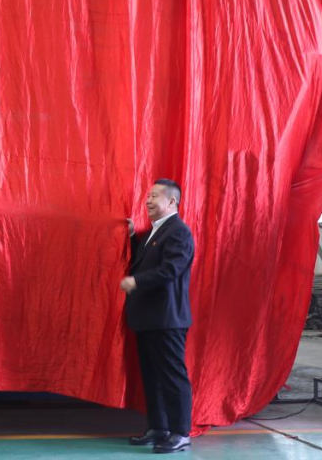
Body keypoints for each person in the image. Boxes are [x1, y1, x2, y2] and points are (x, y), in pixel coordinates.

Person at [121, 179, 194, 454]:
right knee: (151, 377)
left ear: (172, 202)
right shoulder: (155, 232)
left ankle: (180, 432)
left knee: (173, 377)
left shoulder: (179, 232)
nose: (148, 201)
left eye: (153, 196)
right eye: (147, 196)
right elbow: (146, 258)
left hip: (168, 319)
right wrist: (131, 236)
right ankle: (159, 427)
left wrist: (136, 282)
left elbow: (170, 270)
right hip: (148, 318)